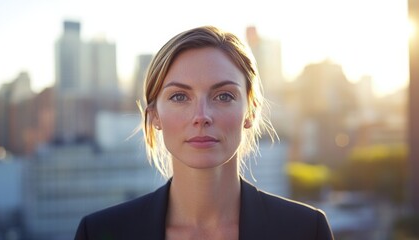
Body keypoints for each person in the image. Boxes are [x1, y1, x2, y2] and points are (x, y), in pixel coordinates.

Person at [74, 25, 334, 240]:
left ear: (251, 112)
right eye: (179, 96)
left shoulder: (306, 231)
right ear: (154, 115)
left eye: (223, 96)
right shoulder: (99, 233)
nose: (201, 116)